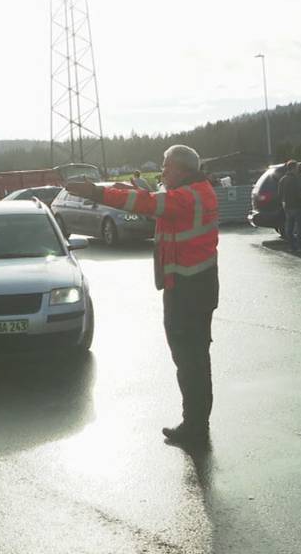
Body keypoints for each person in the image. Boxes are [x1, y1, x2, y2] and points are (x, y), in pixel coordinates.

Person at [67, 145, 218, 445]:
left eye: (166, 166)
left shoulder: (187, 196)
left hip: (188, 291)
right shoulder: (196, 191)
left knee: (190, 361)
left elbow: (147, 204)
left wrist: (97, 193)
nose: (162, 172)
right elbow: (150, 199)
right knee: (194, 359)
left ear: (182, 169)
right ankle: (196, 423)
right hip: (193, 287)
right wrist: (123, 189)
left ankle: (195, 427)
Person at [276, 161, 301, 252]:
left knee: (289, 227)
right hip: (297, 206)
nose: (297, 169)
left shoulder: (282, 179)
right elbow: (298, 193)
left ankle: (291, 246)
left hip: (287, 207)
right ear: (293, 168)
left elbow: (279, 194)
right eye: (296, 167)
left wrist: (283, 202)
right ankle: (299, 246)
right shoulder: (294, 179)